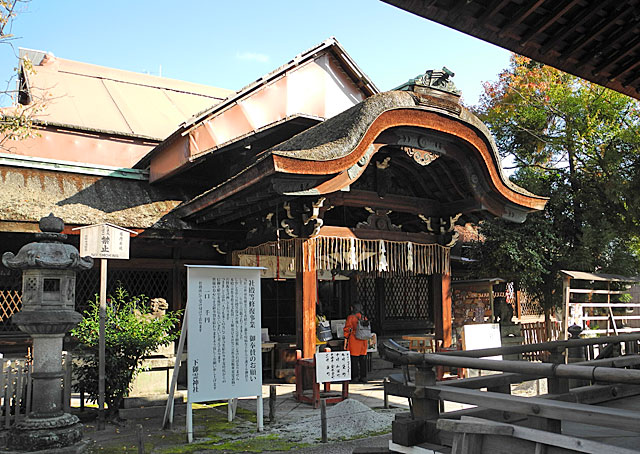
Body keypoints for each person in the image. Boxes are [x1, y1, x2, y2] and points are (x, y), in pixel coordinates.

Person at [343, 302, 368, 383]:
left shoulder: (351, 317)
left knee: (354, 359)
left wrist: (346, 336)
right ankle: (363, 377)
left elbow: (347, 329)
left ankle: (355, 377)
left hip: (354, 340)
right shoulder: (364, 317)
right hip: (363, 340)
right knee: (363, 359)